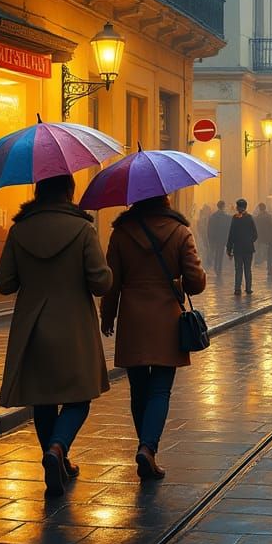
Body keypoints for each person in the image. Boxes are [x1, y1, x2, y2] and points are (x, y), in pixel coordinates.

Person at [0, 175, 112, 496]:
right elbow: (101, 282)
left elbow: (3, 283)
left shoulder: (19, 230)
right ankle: (58, 448)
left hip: (32, 328)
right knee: (79, 398)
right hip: (74, 327)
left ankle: (55, 458)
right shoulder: (83, 229)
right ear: (69, 192)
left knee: (43, 400)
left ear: (38, 192)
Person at [101, 193, 206, 480]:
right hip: (166, 321)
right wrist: (179, 281)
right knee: (160, 390)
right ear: (164, 198)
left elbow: (111, 282)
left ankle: (145, 448)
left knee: (138, 389)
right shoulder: (180, 232)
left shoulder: (121, 233)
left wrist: (107, 315)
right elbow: (196, 282)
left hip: (132, 319)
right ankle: (147, 448)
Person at [226, 198, 258, 295]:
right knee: (247, 269)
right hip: (248, 249)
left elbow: (231, 234)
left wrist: (229, 248)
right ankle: (248, 288)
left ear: (238, 207)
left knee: (238, 269)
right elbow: (255, 234)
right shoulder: (249, 218)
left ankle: (237, 289)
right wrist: (249, 241)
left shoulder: (235, 218)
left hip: (238, 249)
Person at [207, 200, 229, 278]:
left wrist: (210, 239)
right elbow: (227, 229)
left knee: (216, 253)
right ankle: (218, 268)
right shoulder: (226, 217)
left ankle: (216, 267)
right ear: (223, 206)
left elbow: (209, 228)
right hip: (222, 238)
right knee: (220, 254)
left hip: (214, 238)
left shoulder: (213, 216)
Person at [254, 202, 272, 279]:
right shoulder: (268, 216)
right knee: (269, 254)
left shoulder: (258, 217)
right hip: (268, 238)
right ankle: (269, 269)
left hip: (261, 238)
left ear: (260, 209)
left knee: (262, 252)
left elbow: (256, 228)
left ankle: (259, 262)